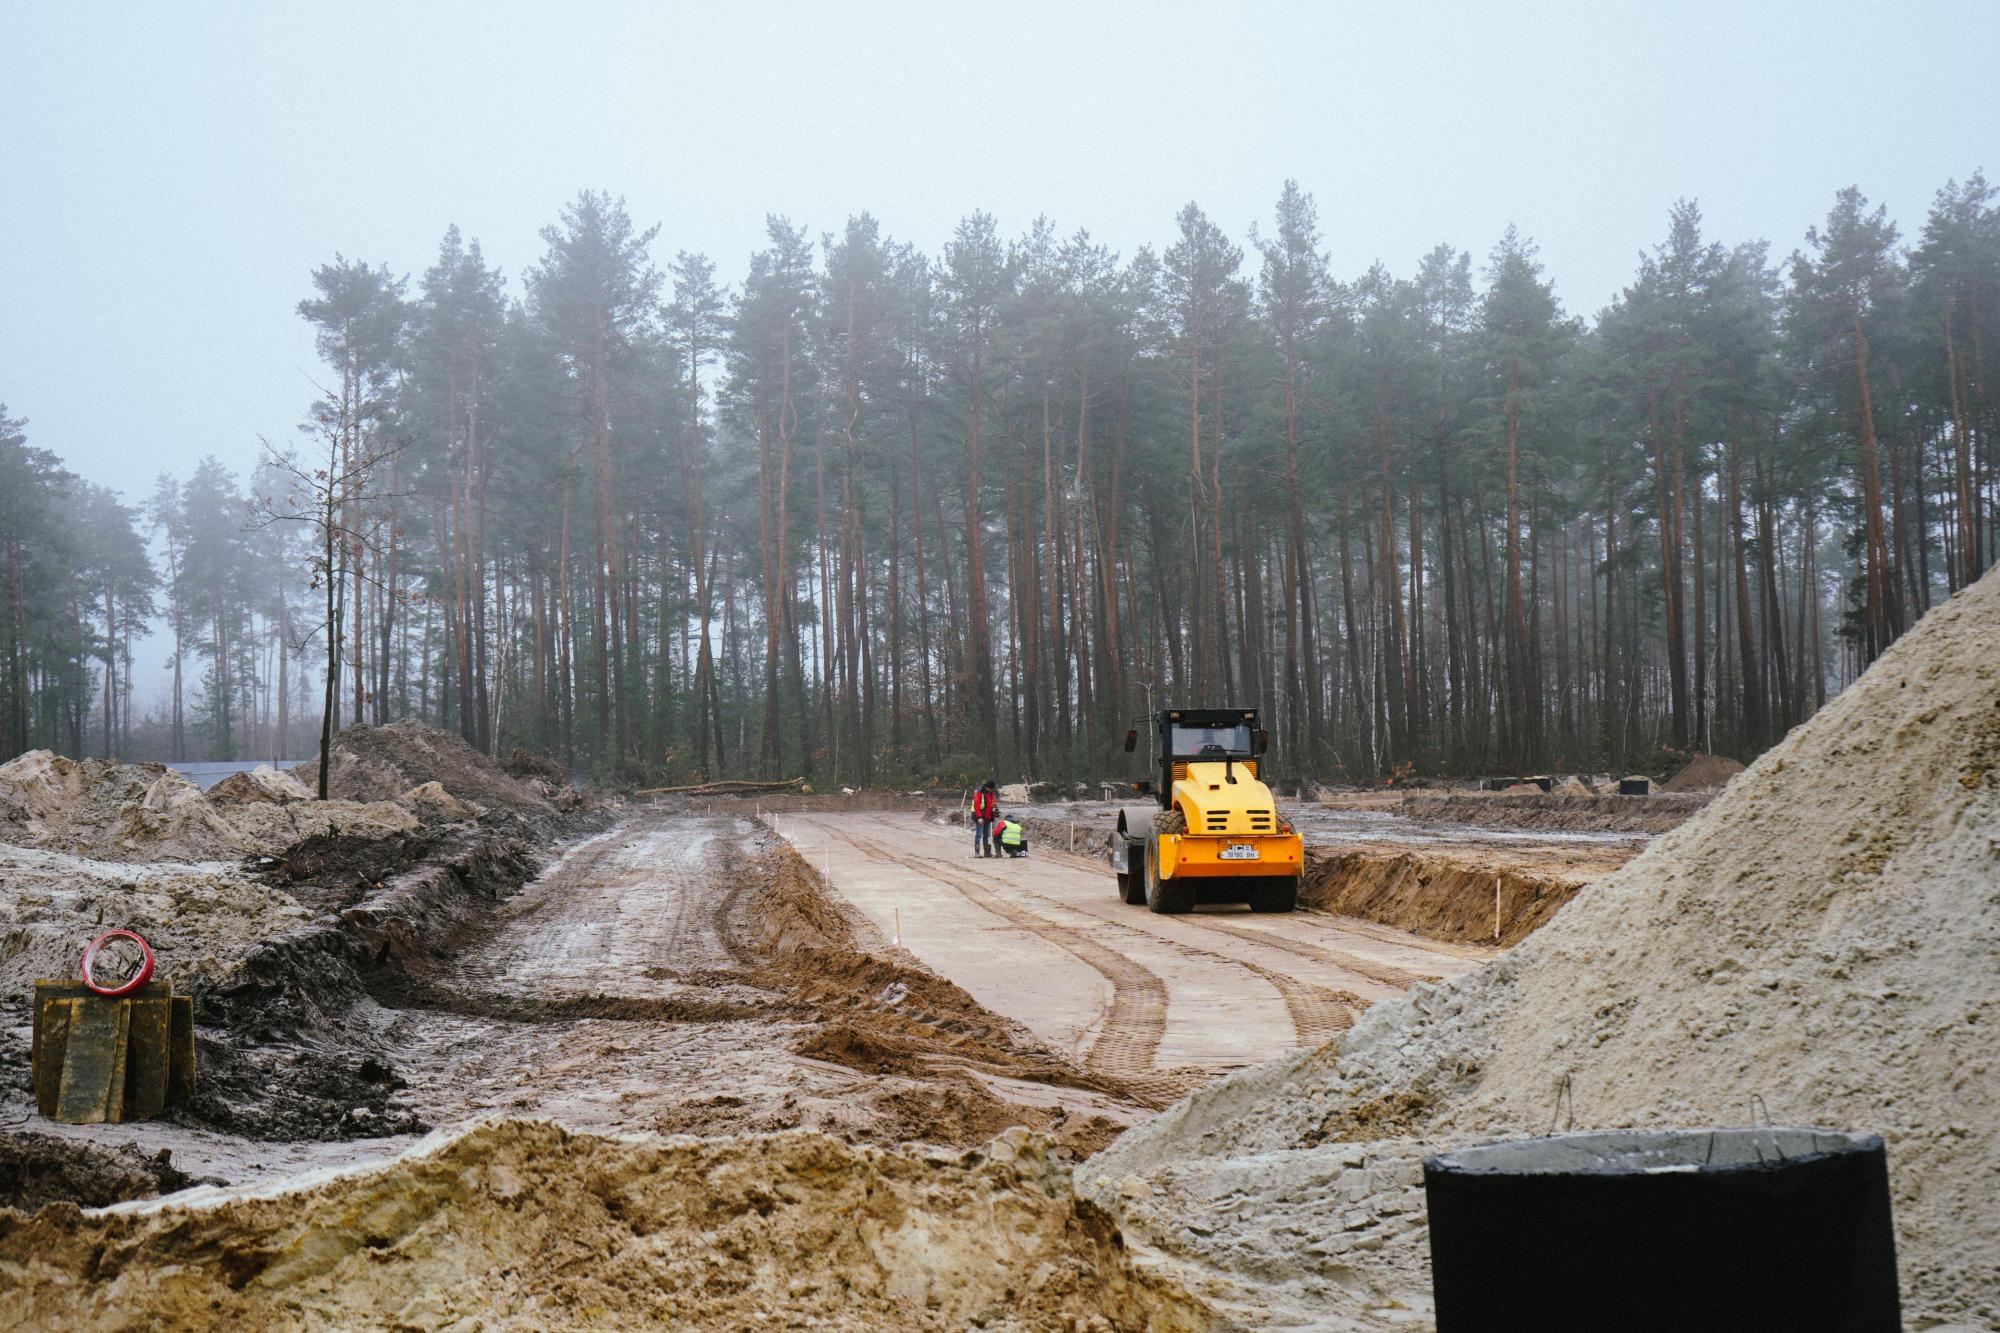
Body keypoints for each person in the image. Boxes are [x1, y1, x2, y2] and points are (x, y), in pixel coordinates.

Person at [971, 780, 998, 858]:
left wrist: (995, 809)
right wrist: (979, 817)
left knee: (987, 835)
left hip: (988, 817)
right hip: (979, 816)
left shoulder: (991, 793)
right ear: (987, 787)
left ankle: (987, 852)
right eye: (991, 789)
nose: (992, 791)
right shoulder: (979, 793)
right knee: (979, 835)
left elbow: (993, 803)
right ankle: (977, 853)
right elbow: (976, 805)